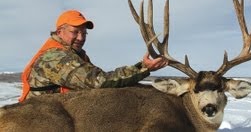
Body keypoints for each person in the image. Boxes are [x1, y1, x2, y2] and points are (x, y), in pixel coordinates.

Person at [19, 9, 168, 102]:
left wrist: (142, 68)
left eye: (84, 33)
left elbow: (102, 78)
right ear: (59, 32)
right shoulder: (55, 58)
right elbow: (99, 82)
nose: (80, 38)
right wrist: (143, 69)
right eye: (75, 32)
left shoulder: (76, 55)